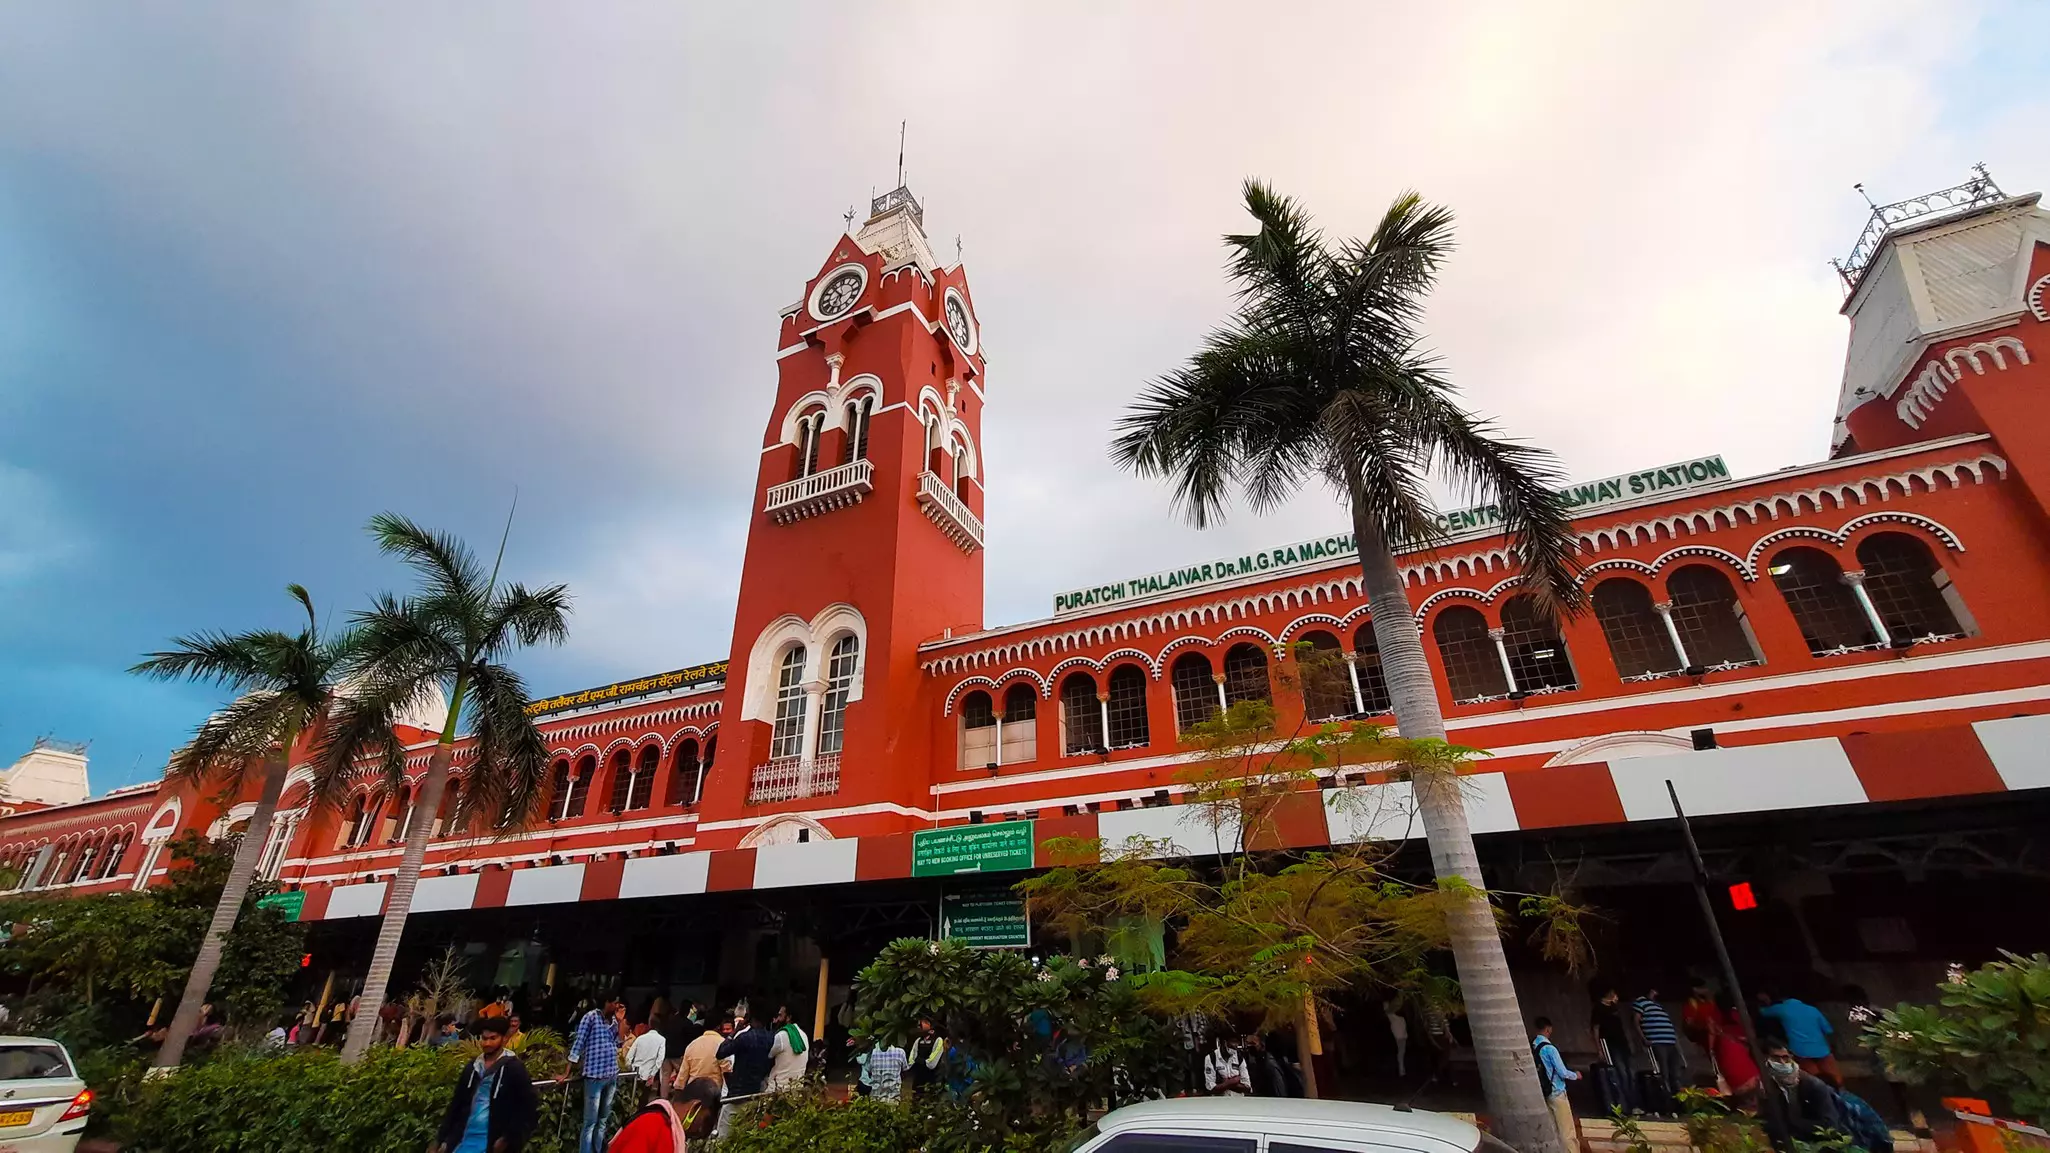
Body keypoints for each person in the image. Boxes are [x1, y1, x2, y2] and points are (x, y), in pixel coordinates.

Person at [432, 1016, 539, 1153]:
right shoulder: (472, 1068)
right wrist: (441, 1139)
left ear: (504, 1039)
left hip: (493, 1142)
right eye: (484, 1038)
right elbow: (456, 1105)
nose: (487, 1043)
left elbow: (527, 1107)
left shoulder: (514, 1068)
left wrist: (507, 1138)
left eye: (493, 1038)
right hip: (464, 1140)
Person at [605, 1076, 722, 1153]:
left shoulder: (667, 1128)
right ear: (695, 1107)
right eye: (703, 1122)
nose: (698, 1130)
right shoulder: (654, 1124)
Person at [569, 995, 625, 1153]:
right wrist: (567, 1071)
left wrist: (620, 1021)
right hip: (594, 1076)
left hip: (611, 1074)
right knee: (590, 1123)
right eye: (614, 1003)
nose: (617, 1006)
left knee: (602, 1121)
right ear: (607, 1002)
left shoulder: (613, 1020)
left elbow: (619, 1042)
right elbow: (579, 1043)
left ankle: (597, 1150)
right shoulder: (591, 1017)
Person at [1760, 1042, 1843, 1146]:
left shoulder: (1813, 1085)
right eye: (1776, 1058)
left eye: (1785, 1058)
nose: (1782, 1062)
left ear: (1791, 1058)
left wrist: (1793, 1123)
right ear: (1767, 1059)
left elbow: (1830, 1125)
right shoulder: (1765, 1084)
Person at [1758, 992, 1839, 1086]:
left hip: (1801, 1052)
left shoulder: (1782, 1008)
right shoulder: (1813, 1009)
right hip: (1823, 1050)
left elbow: (1762, 1012)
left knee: (1815, 1082)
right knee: (1835, 1080)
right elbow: (1828, 1030)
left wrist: (1766, 1002)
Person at [1533, 1017, 1581, 1153]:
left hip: (1544, 1092)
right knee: (1567, 1132)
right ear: (1548, 1029)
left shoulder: (1534, 1046)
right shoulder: (1550, 1049)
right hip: (1557, 1092)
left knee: (1553, 1129)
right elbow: (1562, 1072)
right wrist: (1576, 1075)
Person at [1631, 985, 1683, 1106]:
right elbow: (1636, 1022)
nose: (1655, 994)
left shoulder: (1658, 1005)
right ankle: (1667, 1100)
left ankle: (1678, 1099)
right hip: (1657, 1041)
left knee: (1675, 1071)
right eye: (1653, 991)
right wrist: (1643, 1038)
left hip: (1670, 1041)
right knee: (1664, 1072)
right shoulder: (1641, 1002)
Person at [1590, 985, 1636, 1113]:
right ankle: (1623, 1104)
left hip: (1622, 1042)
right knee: (1621, 1073)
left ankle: (1632, 1103)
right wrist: (1599, 1049)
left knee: (1630, 1073)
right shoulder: (1598, 1008)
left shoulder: (1614, 1007)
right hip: (1610, 1043)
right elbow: (1595, 1029)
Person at [716, 1013, 776, 1098]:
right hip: (759, 1088)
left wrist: (735, 1030)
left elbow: (721, 1053)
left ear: (750, 1019)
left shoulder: (744, 1038)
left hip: (739, 1090)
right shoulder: (772, 1037)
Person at [767, 1005, 808, 1092]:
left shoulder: (781, 1036)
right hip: (797, 1088)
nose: (777, 1019)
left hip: (780, 1090)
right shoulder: (803, 1035)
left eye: (780, 1015)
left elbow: (768, 1055)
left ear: (788, 1017)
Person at [682, 1018, 728, 1092]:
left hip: (694, 1090)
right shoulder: (723, 1043)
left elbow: (682, 1075)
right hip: (714, 1091)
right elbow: (727, 1071)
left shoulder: (692, 1044)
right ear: (719, 1027)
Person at [906, 1018, 947, 1094]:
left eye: (922, 1024)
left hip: (932, 1078)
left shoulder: (938, 1040)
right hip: (918, 1077)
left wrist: (921, 1061)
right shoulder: (918, 1041)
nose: (919, 1027)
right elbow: (912, 1058)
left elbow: (932, 1063)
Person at [627, 1022, 667, 1093]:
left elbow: (629, 1056)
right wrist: (652, 1074)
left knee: (631, 1094)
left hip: (635, 1072)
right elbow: (660, 1060)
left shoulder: (640, 1038)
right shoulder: (662, 1040)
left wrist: (629, 1069)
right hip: (648, 1074)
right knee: (644, 1096)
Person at [1385, 997, 1410, 1078]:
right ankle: (1401, 1071)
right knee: (1400, 1053)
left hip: (1402, 1036)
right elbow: (1387, 1010)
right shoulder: (1393, 1016)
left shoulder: (1399, 1017)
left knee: (1401, 1053)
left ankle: (1401, 1070)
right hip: (1399, 1037)